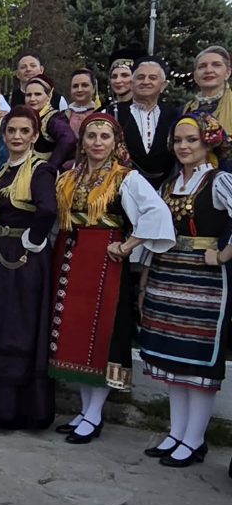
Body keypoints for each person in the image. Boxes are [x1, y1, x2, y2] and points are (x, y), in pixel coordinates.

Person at [50, 113, 174, 444]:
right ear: (82, 141)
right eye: (91, 136)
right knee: (76, 333)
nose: (97, 143)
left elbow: (157, 212)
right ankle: (84, 410)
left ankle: (94, 414)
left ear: (116, 142)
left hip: (104, 259)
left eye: (104, 137)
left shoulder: (126, 178)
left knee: (101, 332)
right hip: (71, 256)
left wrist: (128, 245)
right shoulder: (69, 177)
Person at [139, 114, 232, 468]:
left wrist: (222, 254)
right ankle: (176, 432)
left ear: (208, 142)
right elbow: (154, 227)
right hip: (167, 275)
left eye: (191, 140)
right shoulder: (170, 184)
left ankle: (194, 439)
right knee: (172, 359)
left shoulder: (219, 181)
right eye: (178, 140)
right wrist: (145, 278)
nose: (183, 146)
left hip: (204, 281)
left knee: (197, 362)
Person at [0, 106, 58, 429]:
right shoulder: (4, 169)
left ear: (34, 136)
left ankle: (19, 410)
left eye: (24, 131)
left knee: (17, 326)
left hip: (23, 258)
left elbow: (47, 210)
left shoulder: (41, 170)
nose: (17, 136)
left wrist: (32, 241)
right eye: (11, 131)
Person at [111, 57, 180, 188]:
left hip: (166, 188)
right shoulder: (113, 113)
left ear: (163, 86)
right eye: (140, 77)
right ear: (132, 83)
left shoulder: (174, 115)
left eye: (152, 78)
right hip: (122, 187)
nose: (146, 82)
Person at [23, 75, 77, 171]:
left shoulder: (53, 118)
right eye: (28, 95)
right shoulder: (25, 118)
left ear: (48, 97)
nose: (32, 99)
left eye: (37, 94)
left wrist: (51, 166)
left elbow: (68, 139)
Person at [186, 46, 232, 140]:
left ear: (228, 73)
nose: (208, 70)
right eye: (202, 66)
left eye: (216, 65)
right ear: (195, 76)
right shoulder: (185, 110)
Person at [64, 68, 99, 138]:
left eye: (84, 85)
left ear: (94, 89)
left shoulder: (101, 113)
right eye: (75, 86)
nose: (79, 90)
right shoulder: (63, 116)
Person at [104, 46, 140, 112]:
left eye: (125, 75)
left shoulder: (147, 111)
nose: (118, 81)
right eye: (114, 76)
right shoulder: (104, 112)